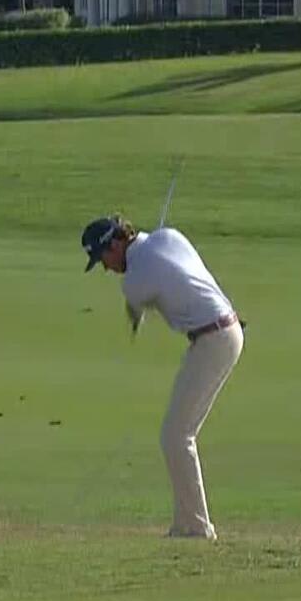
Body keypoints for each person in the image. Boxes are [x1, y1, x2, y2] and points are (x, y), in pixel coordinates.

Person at [83, 215, 243, 540]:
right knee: (176, 435)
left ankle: (197, 528)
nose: (106, 267)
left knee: (176, 435)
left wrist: (134, 309)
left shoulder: (133, 280)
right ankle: (186, 524)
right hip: (226, 330)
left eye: (104, 259)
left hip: (213, 339)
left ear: (116, 243)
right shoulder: (168, 236)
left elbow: (137, 297)